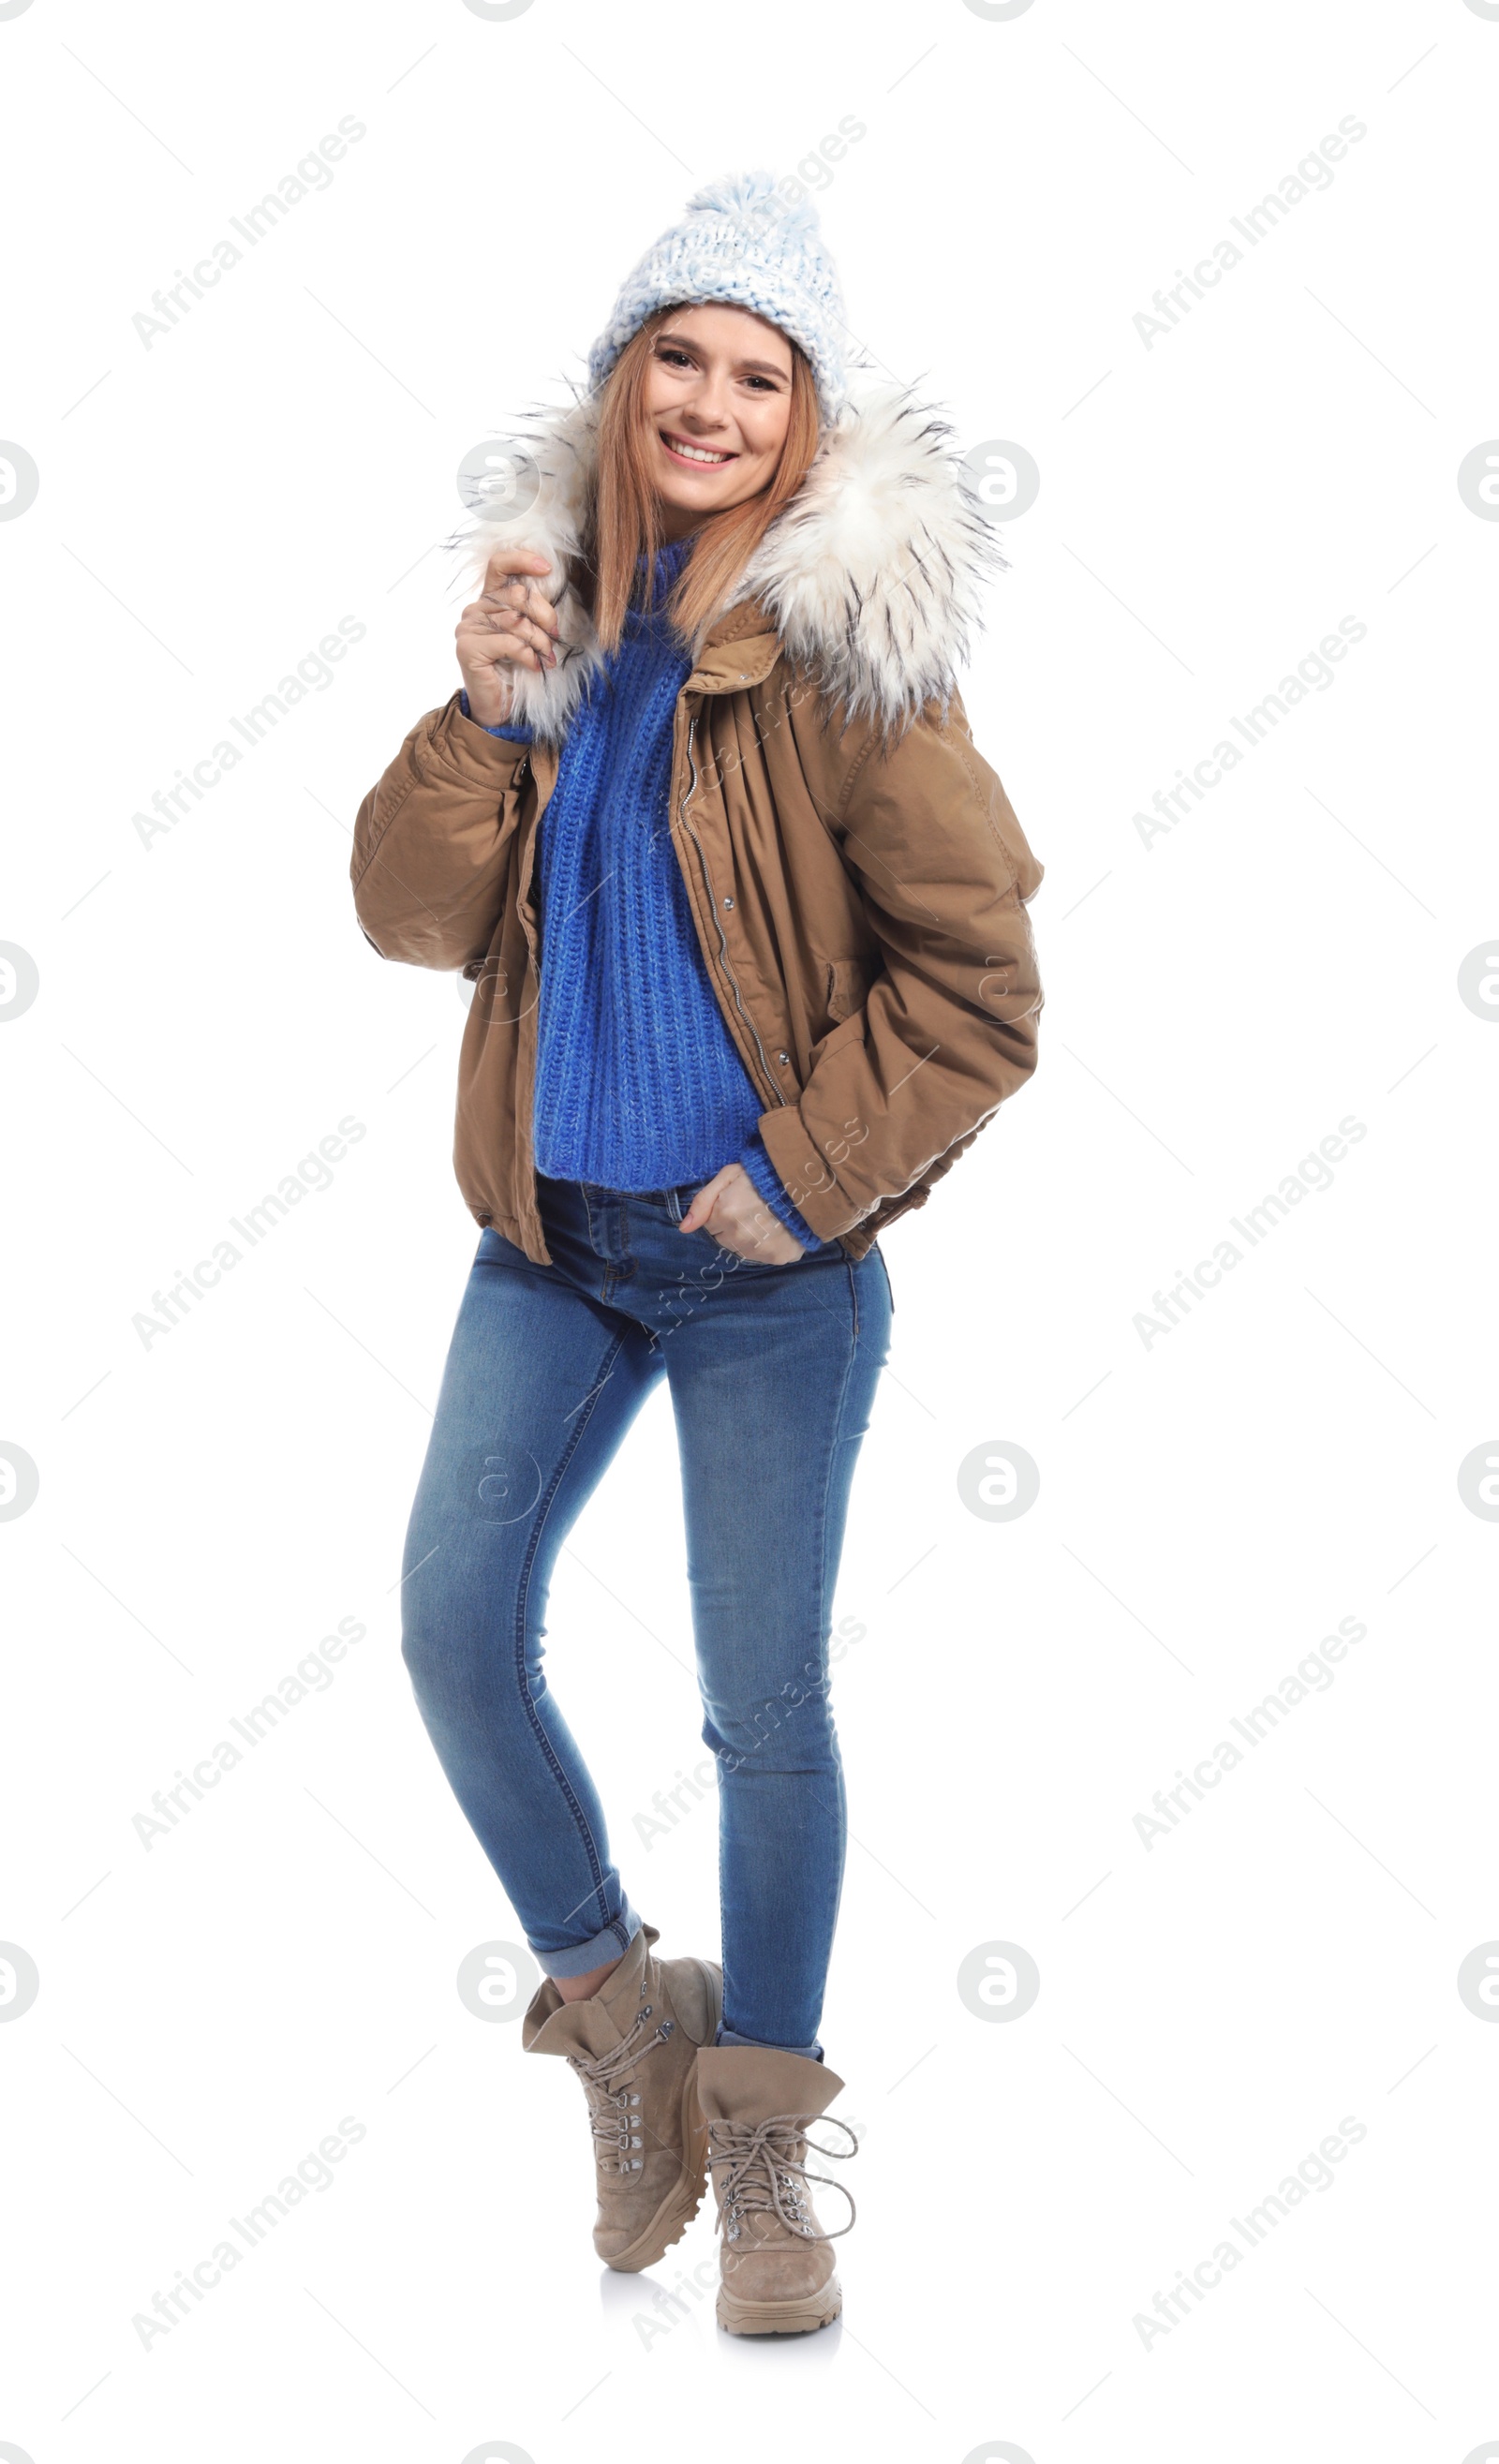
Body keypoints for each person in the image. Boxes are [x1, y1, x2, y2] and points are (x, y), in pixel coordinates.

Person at [351, 169, 1045, 2336]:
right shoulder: (543, 622)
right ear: (622, 376)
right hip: (554, 1244)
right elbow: (406, 915)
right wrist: (480, 720)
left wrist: (807, 1172)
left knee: (761, 1706)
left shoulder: (851, 667)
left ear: (808, 424)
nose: (712, 401)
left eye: (759, 374)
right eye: (682, 355)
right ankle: (620, 2014)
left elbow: (980, 985)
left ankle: (763, 2151)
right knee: (453, 1622)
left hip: (771, 1267)